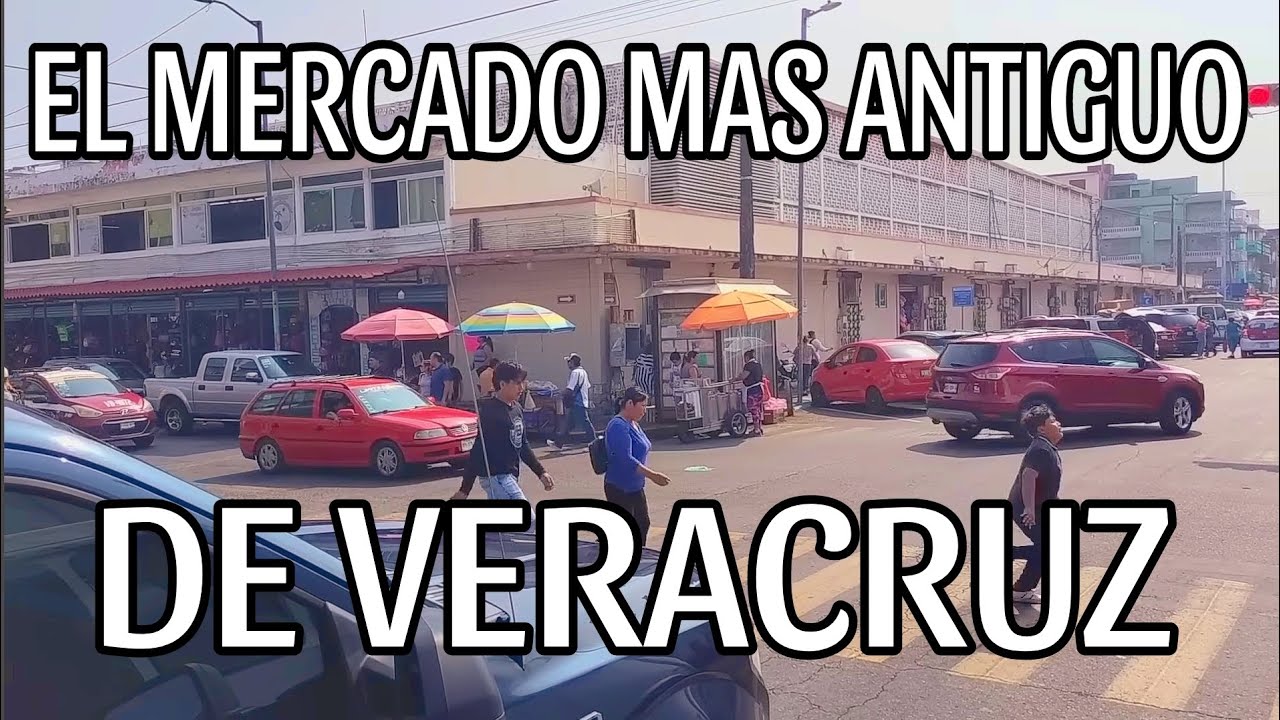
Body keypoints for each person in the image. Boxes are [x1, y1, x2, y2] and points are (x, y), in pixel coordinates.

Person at [460, 361, 555, 501]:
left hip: (511, 475)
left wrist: (541, 472)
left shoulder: (516, 408)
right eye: (517, 383)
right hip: (496, 477)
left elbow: (522, 445)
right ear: (502, 384)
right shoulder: (490, 411)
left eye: (523, 382)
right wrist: (464, 490)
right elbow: (479, 449)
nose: (521, 387)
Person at [1008, 405, 1064, 605]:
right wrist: (1029, 509)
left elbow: (1044, 483)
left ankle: (1022, 588)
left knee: (1046, 546)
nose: (1058, 424)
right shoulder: (1040, 449)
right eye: (1053, 422)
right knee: (1047, 547)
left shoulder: (1045, 446)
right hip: (1026, 509)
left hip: (1034, 507)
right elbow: (1029, 476)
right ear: (1041, 428)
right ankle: (1020, 584)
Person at [603, 387, 671, 541]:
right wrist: (653, 475)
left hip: (635, 487)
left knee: (642, 524)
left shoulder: (633, 423)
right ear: (629, 404)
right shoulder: (618, 425)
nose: (644, 410)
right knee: (627, 531)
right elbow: (625, 459)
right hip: (620, 487)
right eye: (642, 406)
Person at [550, 353, 596, 449]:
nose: (568, 364)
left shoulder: (575, 373)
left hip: (577, 402)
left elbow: (570, 388)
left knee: (584, 422)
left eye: (569, 362)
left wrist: (559, 395)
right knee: (570, 423)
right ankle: (559, 443)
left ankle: (595, 442)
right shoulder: (583, 372)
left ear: (573, 362)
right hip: (581, 401)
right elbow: (588, 387)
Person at [737, 349, 765, 436]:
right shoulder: (758, 364)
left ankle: (756, 429)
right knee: (759, 409)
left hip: (753, 389)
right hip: (759, 388)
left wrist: (735, 378)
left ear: (747, 357)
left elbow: (743, 376)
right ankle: (759, 427)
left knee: (754, 409)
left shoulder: (749, 365)